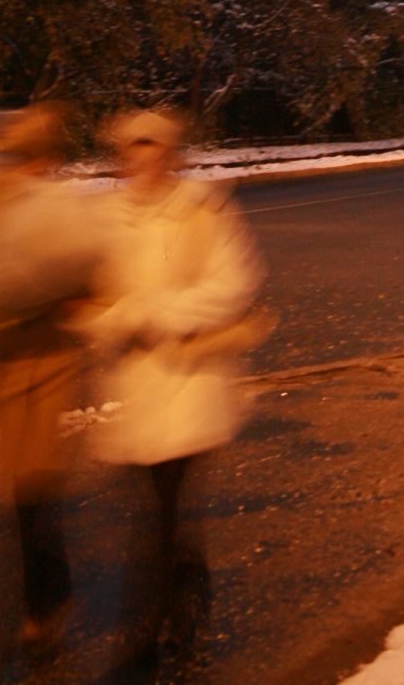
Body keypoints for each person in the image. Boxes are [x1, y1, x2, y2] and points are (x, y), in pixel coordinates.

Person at [88, 107, 268, 679]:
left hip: (191, 386)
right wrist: (108, 322)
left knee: (162, 515)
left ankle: (152, 640)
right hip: (136, 392)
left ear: (169, 154)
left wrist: (153, 314)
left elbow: (233, 284)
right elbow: (93, 296)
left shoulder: (202, 211)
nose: (140, 159)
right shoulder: (107, 217)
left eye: (151, 147)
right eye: (130, 149)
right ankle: (184, 620)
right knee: (165, 518)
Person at [0, 102, 102, 655]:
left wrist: (74, 294)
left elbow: (89, 268)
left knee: (35, 483)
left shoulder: (60, 207)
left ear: (46, 158)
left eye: (29, 155)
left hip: (50, 356)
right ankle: (45, 596)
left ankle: (44, 605)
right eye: (15, 155)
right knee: (23, 488)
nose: (22, 165)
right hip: (9, 359)